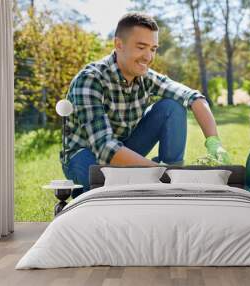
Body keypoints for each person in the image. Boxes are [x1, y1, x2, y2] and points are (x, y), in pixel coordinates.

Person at [61, 12, 231, 198]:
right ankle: (166, 179)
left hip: (125, 146)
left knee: (172, 107)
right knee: (103, 197)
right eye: (141, 47)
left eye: (153, 49)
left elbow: (193, 98)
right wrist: (160, 172)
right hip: (86, 154)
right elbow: (105, 147)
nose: (148, 57)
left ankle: (170, 185)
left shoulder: (145, 77)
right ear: (119, 44)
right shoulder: (90, 79)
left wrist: (214, 143)